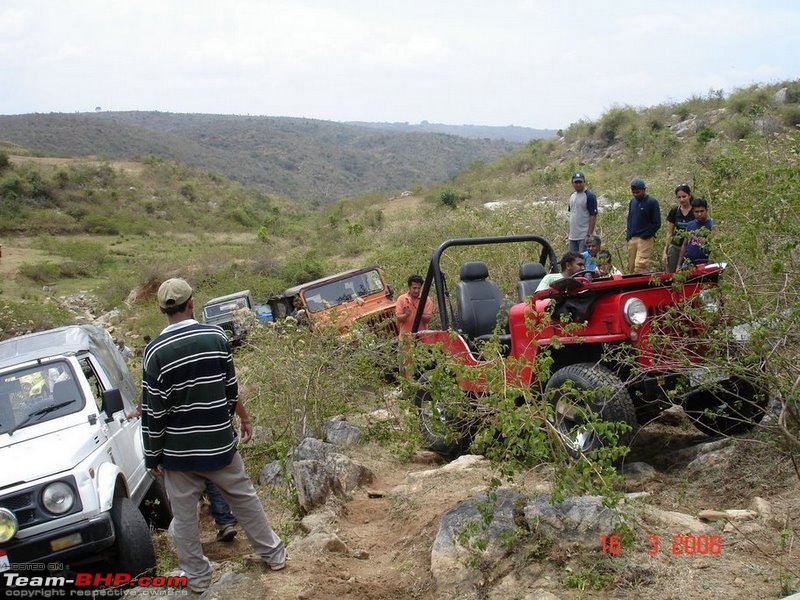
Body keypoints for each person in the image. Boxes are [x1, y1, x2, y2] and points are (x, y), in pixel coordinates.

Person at [141, 278, 286, 593]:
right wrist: (244, 419)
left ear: (161, 309)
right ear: (191, 302)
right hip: (219, 444)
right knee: (245, 499)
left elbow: (154, 412)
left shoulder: (154, 353)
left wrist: (152, 456)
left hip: (178, 454)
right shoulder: (215, 336)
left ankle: (197, 577)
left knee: (184, 518)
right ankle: (273, 554)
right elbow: (230, 389)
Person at [625, 179, 661, 273]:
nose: (636, 194)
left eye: (638, 192)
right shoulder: (632, 202)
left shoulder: (652, 202)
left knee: (640, 265)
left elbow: (657, 223)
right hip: (632, 238)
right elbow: (630, 219)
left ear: (644, 190)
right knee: (630, 266)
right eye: (634, 192)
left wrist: (645, 235)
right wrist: (628, 236)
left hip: (645, 239)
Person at [662, 184, 696, 273]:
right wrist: (665, 251)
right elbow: (669, 232)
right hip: (675, 246)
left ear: (689, 195)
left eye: (684, 196)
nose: (682, 199)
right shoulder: (675, 211)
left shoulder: (696, 211)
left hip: (690, 247)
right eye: (679, 197)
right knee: (670, 273)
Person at [566, 172, 598, 253]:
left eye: (580, 182)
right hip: (573, 236)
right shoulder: (572, 196)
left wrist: (589, 235)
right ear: (572, 183)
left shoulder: (589, 196)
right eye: (576, 182)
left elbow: (593, 215)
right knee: (573, 261)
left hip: (583, 236)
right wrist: (569, 233)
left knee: (583, 260)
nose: (578, 184)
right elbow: (572, 215)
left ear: (584, 182)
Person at [678, 198, 713, 267]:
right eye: (696, 212)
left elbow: (716, 247)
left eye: (702, 211)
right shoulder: (690, 225)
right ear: (693, 212)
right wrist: (679, 265)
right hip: (689, 262)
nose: (699, 214)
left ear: (706, 210)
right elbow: (684, 246)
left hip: (706, 263)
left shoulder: (712, 225)